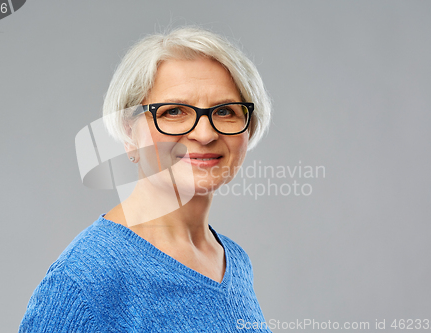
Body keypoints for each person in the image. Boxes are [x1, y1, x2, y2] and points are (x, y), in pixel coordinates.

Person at [19, 26, 272, 332]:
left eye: (225, 111)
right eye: (174, 111)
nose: (205, 134)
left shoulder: (234, 261)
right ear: (129, 132)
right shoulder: (87, 279)